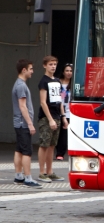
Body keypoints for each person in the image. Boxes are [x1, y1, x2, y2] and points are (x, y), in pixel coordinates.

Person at [37, 55, 67, 183]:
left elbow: (61, 100)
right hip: (47, 117)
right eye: (50, 64)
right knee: (44, 144)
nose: (53, 66)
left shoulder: (58, 81)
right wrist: (50, 119)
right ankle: (41, 172)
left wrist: (63, 116)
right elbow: (43, 102)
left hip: (57, 116)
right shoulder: (43, 81)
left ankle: (50, 171)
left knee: (52, 145)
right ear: (45, 66)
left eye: (55, 64)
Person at [12, 59, 41, 188]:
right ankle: (28, 178)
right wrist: (30, 124)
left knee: (19, 149)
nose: (32, 72)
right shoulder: (21, 86)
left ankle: (19, 176)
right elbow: (23, 107)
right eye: (30, 69)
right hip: (23, 124)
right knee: (27, 151)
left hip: (18, 123)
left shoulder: (18, 84)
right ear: (24, 70)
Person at [55, 63, 73, 161]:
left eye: (70, 71)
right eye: (67, 70)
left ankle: (61, 152)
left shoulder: (74, 84)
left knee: (65, 133)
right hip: (59, 111)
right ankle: (58, 151)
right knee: (59, 133)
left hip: (70, 112)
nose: (69, 73)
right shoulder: (58, 83)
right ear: (63, 72)